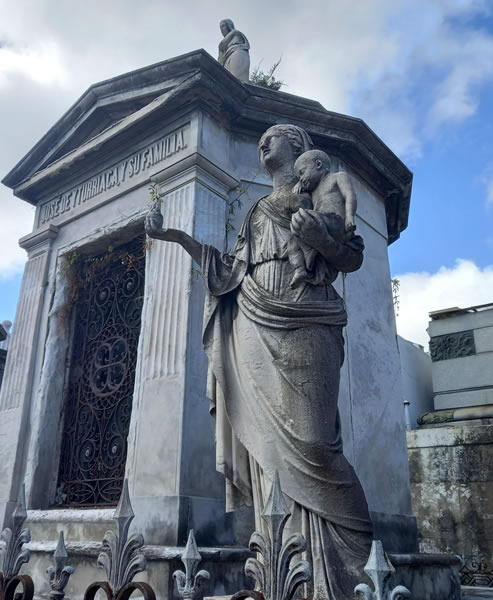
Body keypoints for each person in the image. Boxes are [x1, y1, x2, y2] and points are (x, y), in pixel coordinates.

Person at [146, 123, 372, 600]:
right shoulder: (254, 211)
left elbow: (350, 254)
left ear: (299, 146)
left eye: (275, 136)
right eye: (261, 139)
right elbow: (228, 268)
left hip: (307, 317)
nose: (264, 142)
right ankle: (283, 566)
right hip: (252, 318)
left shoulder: (321, 189)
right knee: (268, 450)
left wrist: (321, 239)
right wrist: (172, 236)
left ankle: (348, 569)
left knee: (314, 442)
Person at [287, 149, 358, 289]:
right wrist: (299, 186)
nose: (300, 178)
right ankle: (300, 269)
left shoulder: (337, 177)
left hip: (336, 222)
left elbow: (349, 195)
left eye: (302, 172)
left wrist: (349, 217)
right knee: (292, 241)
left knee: (302, 217)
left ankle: (309, 259)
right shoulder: (313, 191)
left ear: (318, 164)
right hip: (321, 223)